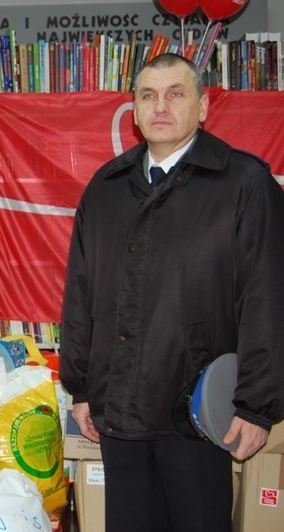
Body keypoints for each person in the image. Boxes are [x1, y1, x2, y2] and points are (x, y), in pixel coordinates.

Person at [60, 53, 284, 532]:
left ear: (202, 107)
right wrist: (80, 388)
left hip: (199, 418)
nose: (161, 106)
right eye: (148, 95)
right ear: (135, 111)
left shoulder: (245, 184)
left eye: (175, 94)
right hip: (118, 414)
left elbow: (268, 300)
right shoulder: (104, 188)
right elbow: (80, 295)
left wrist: (256, 406)